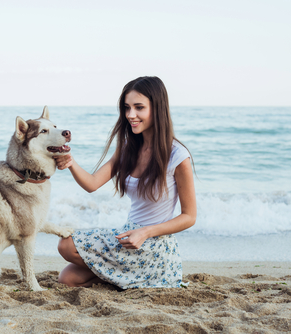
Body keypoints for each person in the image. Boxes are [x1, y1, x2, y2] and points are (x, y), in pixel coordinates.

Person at [54, 76, 196, 289]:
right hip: (128, 238)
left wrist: (145, 232)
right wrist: (71, 163)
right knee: (68, 278)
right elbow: (92, 183)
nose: (131, 115)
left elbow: (189, 217)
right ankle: (131, 278)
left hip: (155, 245)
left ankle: (140, 276)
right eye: (127, 108)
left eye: (139, 107)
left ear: (157, 108)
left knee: (67, 245)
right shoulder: (129, 147)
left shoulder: (178, 156)